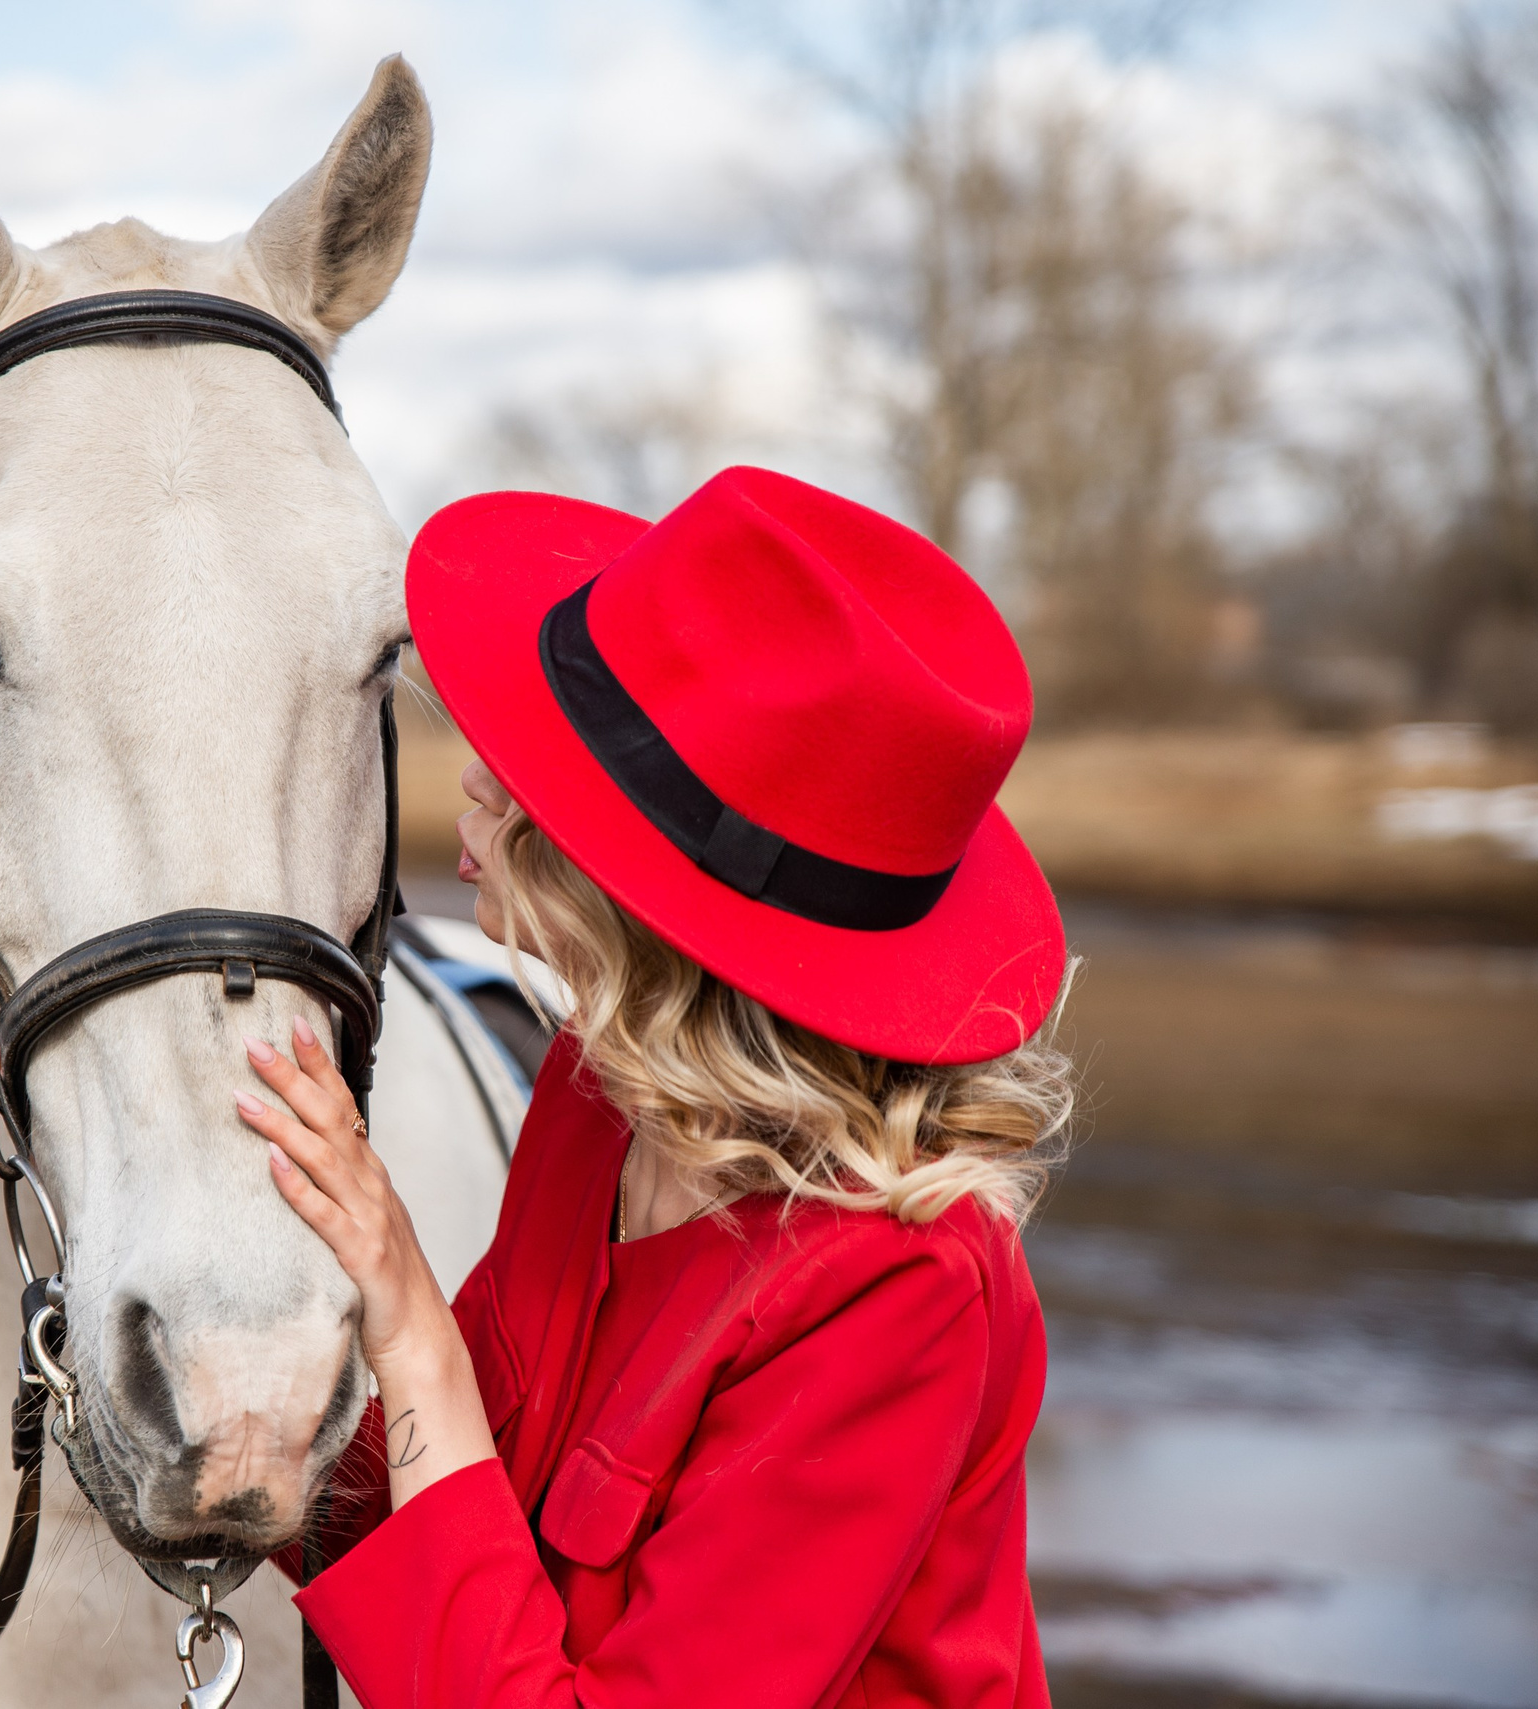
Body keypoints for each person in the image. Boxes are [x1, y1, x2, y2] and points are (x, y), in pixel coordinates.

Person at [233, 466, 1074, 1708]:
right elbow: (436, 1540)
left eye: (539, 758)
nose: (472, 773)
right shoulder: (605, 1093)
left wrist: (408, 1321)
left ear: (641, 883)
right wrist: (224, 1415)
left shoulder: (899, 1286)